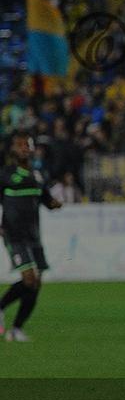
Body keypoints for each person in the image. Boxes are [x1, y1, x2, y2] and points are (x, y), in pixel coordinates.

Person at [0, 131, 62, 341]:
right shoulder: (5, 174)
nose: (24, 149)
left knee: (36, 283)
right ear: (12, 149)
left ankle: (17, 329)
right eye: (20, 145)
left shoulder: (39, 174)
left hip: (34, 236)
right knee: (29, 279)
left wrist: (55, 204)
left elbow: (46, 200)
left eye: (27, 145)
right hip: (13, 234)